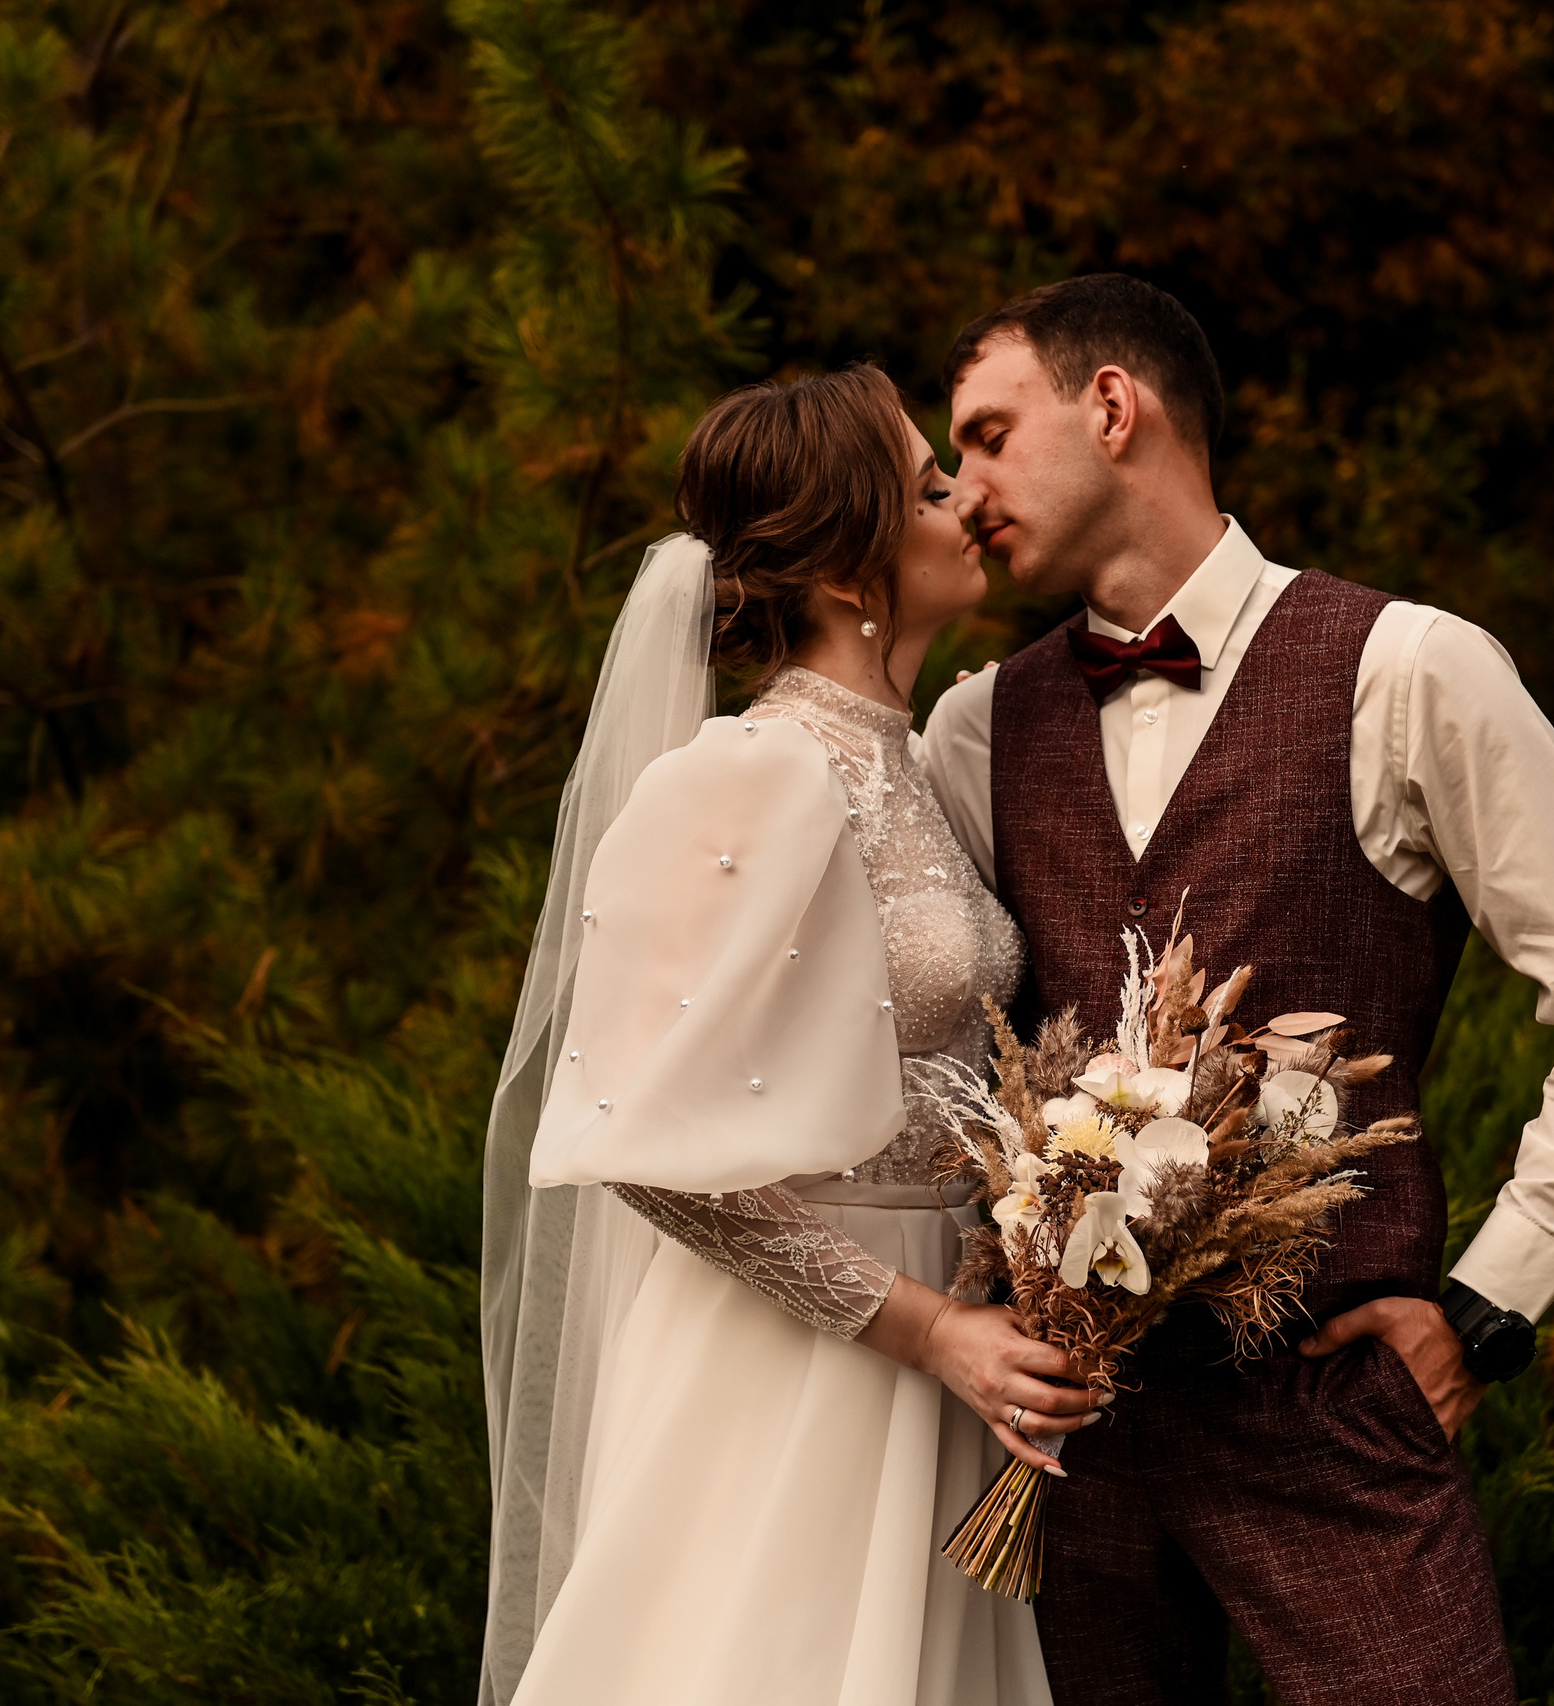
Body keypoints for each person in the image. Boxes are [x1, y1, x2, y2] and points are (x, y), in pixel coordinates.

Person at [920, 275, 1554, 1705]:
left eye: (985, 434)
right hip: (1065, 1450)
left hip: (1335, 1418)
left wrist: (1487, 1305)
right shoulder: (978, 727)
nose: (962, 488)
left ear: (1113, 407)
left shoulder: (1410, 671)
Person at [479, 365, 1080, 1706]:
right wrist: (924, 1327)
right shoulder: (750, 772)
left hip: (944, 1349)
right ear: (848, 561)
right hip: (800, 1357)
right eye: (931, 484)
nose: (967, 501)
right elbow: (643, 1149)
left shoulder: (919, 768)